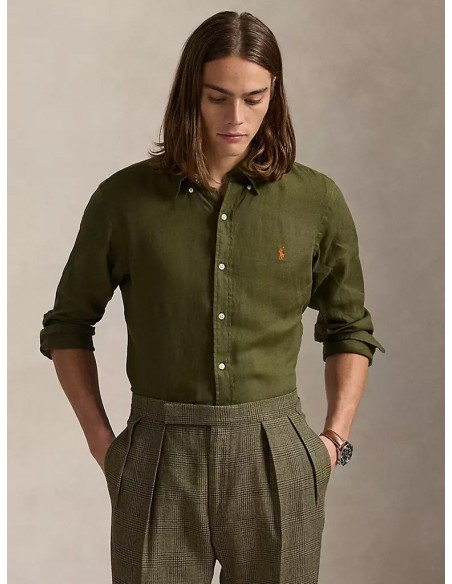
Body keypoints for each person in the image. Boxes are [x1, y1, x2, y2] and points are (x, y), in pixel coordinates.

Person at [39, 10, 385, 584]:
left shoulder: (316, 201)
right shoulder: (123, 200)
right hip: (157, 456)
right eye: (217, 98)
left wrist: (331, 443)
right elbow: (67, 325)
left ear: (275, 95)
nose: (235, 118)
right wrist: (106, 448)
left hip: (277, 455)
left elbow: (350, 328)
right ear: (190, 95)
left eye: (254, 98)